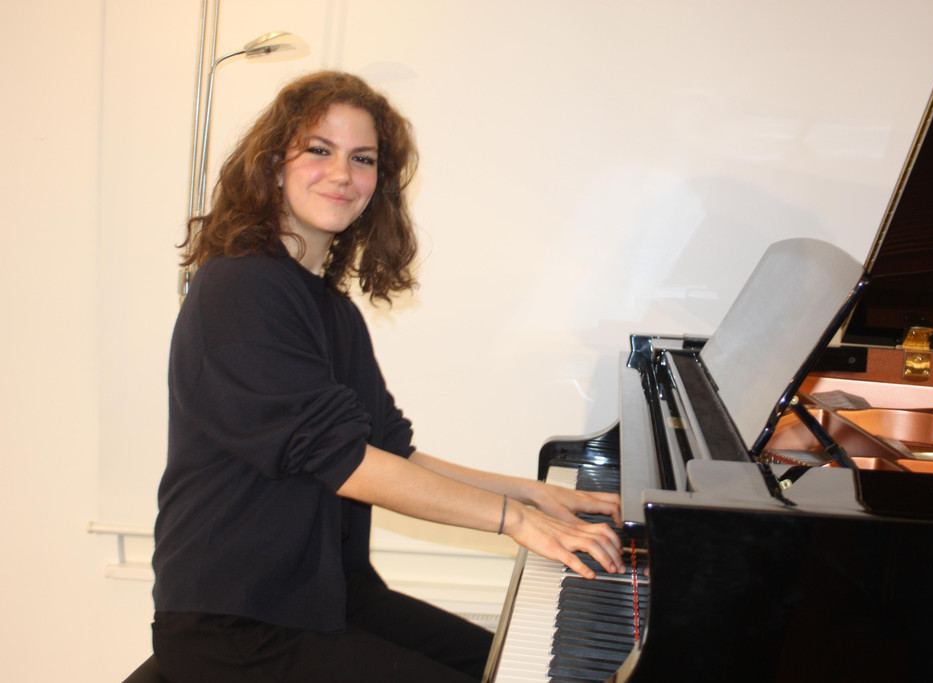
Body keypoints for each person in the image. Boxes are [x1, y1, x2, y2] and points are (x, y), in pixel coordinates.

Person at [151, 70, 624, 683]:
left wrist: (532, 495)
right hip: (240, 622)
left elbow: (390, 453)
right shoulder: (241, 285)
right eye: (318, 150)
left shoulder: (332, 310)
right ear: (272, 166)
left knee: (512, 669)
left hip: (332, 597)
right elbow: (346, 463)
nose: (342, 174)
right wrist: (515, 520)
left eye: (363, 158)